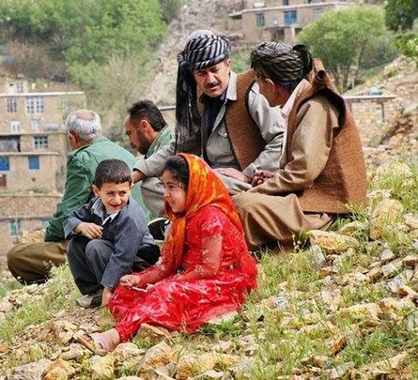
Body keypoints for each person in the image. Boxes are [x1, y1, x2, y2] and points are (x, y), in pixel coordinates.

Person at [76, 154, 258, 354]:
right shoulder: (182, 219)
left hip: (222, 283)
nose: (166, 194)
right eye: (165, 186)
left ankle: (114, 336)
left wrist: (171, 283)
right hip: (191, 278)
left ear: (192, 187)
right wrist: (139, 279)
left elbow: (209, 268)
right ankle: (148, 316)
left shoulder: (211, 217)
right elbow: (166, 266)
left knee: (164, 292)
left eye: (172, 186)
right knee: (126, 289)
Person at [232, 42, 367, 251]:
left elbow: (302, 172)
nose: (258, 89)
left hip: (326, 211)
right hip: (312, 201)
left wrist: (261, 189)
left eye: (257, 81)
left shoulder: (314, 106)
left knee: (241, 205)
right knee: (236, 196)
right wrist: (274, 178)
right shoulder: (301, 103)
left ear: (270, 84)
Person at [131, 30, 285, 195]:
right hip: (211, 177)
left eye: (214, 70)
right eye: (202, 73)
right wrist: (136, 174)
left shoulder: (251, 93)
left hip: (242, 183)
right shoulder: (201, 102)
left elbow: (280, 140)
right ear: (193, 76)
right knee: (150, 186)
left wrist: (248, 174)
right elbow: (179, 149)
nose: (210, 79)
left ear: (227, 64)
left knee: (198, 183)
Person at [7, 109, 146, 284]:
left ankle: (59, 284)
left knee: (17, 256)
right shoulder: (124, 153)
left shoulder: (82, 158)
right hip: (137, 240)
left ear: (72, 137)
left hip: (105, 244)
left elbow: (68, 212)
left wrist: (49, 241)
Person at [64, 159, 159, 308]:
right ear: (97, 191)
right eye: (110, 193)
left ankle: (116, 292)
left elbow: (123, 257)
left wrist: (109, 287)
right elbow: (70, 219)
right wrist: (80, 226)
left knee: (95, 247)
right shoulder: (96, 205)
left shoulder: (130, 217)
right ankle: (95, 291)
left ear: (131, 188)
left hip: (137, 262)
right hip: (113, 253)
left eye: (122, 193)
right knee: (76, 244)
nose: (117, 200)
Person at [124, 100, 173, 219]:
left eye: (130, 133)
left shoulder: (171, 142)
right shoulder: (154, 150)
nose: (130, 142)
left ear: (144, 126)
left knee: (150, 185)